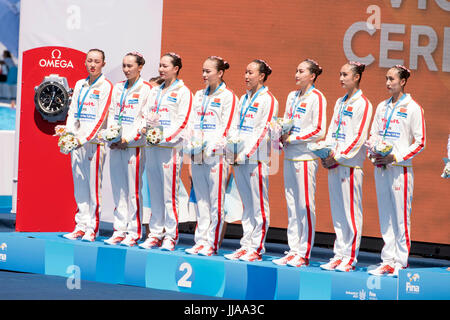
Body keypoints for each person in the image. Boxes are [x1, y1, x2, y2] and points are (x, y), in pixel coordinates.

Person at [367, 65, 426, 276]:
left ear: (402, 82)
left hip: (399, 169)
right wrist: (373, 153)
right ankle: (388, 259)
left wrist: (396, 157)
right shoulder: (382, 106)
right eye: (386, 78)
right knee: (386, 216)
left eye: (392, 79)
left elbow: (420, 142)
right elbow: (373, 135)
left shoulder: (413, 108)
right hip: (381, 166)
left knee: (401, 217)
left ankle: (401, 261)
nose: (387, 82)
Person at [272, 59, 327, 267]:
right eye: (296, 70)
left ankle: (304, 253)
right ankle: (293, 249)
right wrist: (279, 132)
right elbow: (286, 121)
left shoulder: (317, 98)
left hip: (305, 158)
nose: (296, 74)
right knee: (292, 205)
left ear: (312, 76)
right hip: (289, 156)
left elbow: (319, 129)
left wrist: (293, 138)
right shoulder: (292, 96)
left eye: (301, 71)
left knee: (305, 204)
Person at [224, 59, 279, 262]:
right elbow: (235, 126)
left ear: (262, 76)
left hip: (255, 159)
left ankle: (256, 247)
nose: (246, 77)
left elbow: (264, 132)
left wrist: (245, 154)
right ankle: (246, 244)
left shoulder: (268, 99)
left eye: (250, 73)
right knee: (246, 204)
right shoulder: (244, 98)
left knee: (259, 205)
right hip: (239, 158)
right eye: (245, 72)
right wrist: (231, 150)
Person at [320, 61, 372, 272]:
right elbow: (332, 130)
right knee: (338, 211)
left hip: (350, 164)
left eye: (345, 75)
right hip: (335, 162)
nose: (341, 78)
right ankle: (339, 254)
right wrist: (327, 152)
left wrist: (339, 156)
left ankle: (350, 258)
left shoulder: (363, 104)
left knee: (351, 213)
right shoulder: (340, 102)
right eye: (340, 74)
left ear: (357, 77)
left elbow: (359, 137)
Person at [184, 56, 238, 256]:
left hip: (217, 156)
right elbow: (191, 123)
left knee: (216, 201)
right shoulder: (199, 95)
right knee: (201, 200)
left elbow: (229, 129)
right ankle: (201, 240)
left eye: (208, 71)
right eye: (203, 71)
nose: (204, 75)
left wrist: (209, 148)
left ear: (220, 73)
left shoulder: (229, 97)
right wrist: (192, 146)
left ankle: (212, 243)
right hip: (197, 153)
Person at [139, 52, 193, 251]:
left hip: (169, 149)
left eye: (165, 66)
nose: (161, 69)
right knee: (154, 192)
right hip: (152, 147)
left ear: (176, 68)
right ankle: (155, 233)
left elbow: (183, 122)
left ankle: (170, 235)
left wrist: (162, 137)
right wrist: (146, 128)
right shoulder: (155, 91)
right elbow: (146, 113)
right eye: (160, 66)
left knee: (169, 194)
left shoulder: (183, 92)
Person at [63, 49, 113, 242]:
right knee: (80, 185)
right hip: (76, 143)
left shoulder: (106, 86)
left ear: (103, 64)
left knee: (93, 187)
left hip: (94, 143)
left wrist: (83, 138)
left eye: (97, 61)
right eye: (90, 61)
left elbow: (101, 118)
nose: (93, 64)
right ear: (85, 62)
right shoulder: (80, 84)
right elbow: (73, 112)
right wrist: (69, 135)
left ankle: (93, 228)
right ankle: (81, 225)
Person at [103, 52, 153, 247]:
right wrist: (113, 136)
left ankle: (134, 231)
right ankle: (119, 229)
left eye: (130, 66)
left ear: (140, 67)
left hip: (134, 146)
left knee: (133, 190)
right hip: (116, 145)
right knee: (118, 188)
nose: (126, 69)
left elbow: (145, 119)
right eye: (124, 65)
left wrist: (127, 138)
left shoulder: (147, 89)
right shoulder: (118, 88)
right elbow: (114, 114)